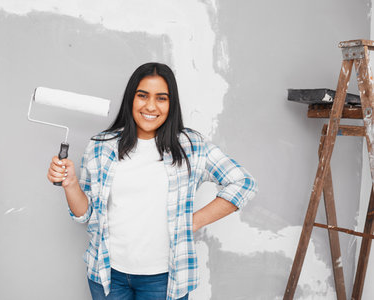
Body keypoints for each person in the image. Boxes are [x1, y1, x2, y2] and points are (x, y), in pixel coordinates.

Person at [47, 62, 257, 300]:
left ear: (171, 104)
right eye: (142, 96)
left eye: (161, 98)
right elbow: (85, 215)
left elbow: (243, 183)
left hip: (164, 278)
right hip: (108, 274)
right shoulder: (101, 146)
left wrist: (193, 222)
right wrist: (71, 183)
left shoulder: (191, 146)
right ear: (131, 99)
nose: (150, 106)